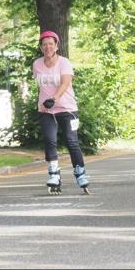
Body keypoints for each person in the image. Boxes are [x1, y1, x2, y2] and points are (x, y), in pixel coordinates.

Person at [33, 30, 90, 195]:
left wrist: (54, 98)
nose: (48, 47)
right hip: (46, 109)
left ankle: (80, 173)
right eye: (44, 45)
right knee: (50, 141)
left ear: (56, 46)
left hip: (67, 108)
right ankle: (54, 174)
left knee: (72, 141)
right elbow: (42, 85)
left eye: (51, 44)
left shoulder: (64, 63)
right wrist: (46, 102)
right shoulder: (37, 64)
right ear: (41, 47)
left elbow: (65, 83)